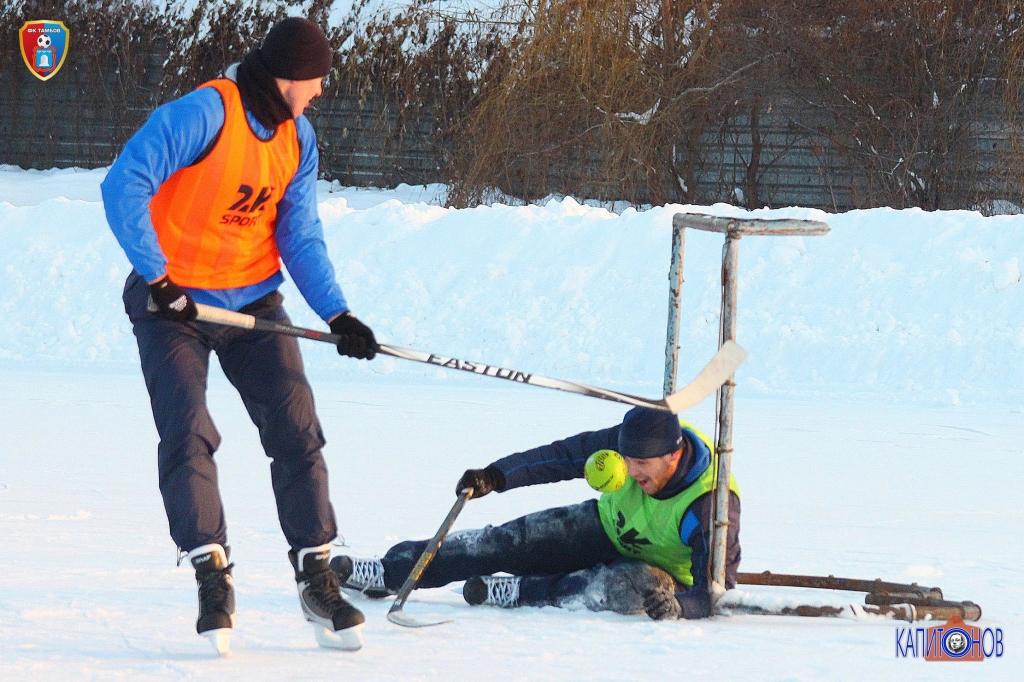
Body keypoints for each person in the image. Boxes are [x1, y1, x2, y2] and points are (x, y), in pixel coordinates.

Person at [101, 17, 377, 654]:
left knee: (296, 425)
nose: (319, 93)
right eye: (316, 81)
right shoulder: (204, 114)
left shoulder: (297, 137)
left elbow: (299, 235)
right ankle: (211, 574)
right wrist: (159, 277)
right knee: (188, 426)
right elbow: (123, 184)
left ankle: (316, 573)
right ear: (287, 76)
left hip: (253, 303)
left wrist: (338, 315)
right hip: (173, 306)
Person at [333, 407, 741, 620]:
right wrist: (498, 475)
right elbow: (563, 456)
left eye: (643, 466)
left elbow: (716, 587)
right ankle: (388, 571)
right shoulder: (632, 439)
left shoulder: (710, 504)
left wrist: (682, 607)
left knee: (618, 586)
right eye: (627, 462)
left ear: (674, 455)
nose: (632, 473)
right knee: (502, 542)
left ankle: (521, 591)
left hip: (659, 573)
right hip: (605, 525)